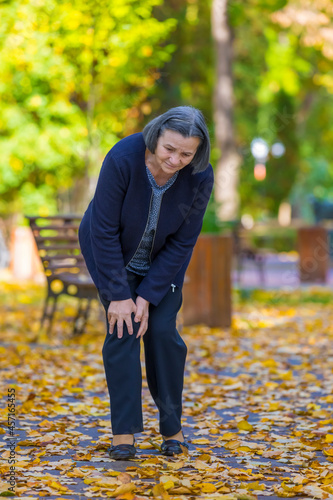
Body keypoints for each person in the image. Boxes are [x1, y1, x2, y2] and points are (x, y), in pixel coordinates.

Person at [79, 105, 214, 460]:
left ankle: (172, 428)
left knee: (163, 333)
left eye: (187, 153)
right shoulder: (123, 158)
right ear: (155, 138)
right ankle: (124, 433)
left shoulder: (200, 175)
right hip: (111, 254)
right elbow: (103, 230)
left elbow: (183, 241)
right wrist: (120, 296)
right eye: (170, 149)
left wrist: (149, 296)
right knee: (123, 329)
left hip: (162, 264)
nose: (176, 160)